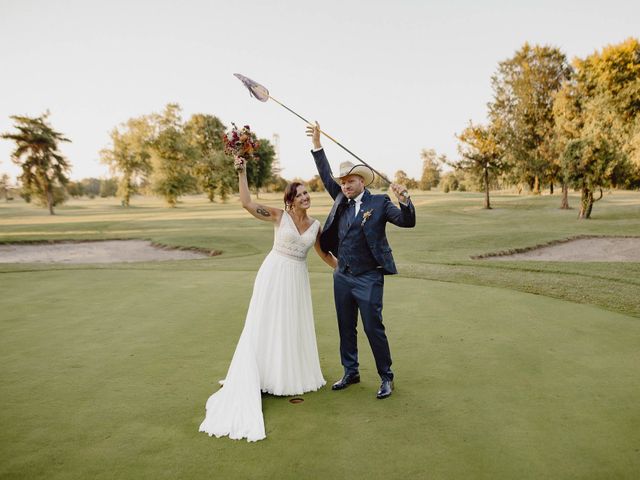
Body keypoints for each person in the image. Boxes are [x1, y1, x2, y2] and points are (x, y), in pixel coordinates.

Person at [199, 155, 336, 442]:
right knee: (265, 323)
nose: (306, 197)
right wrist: (242, 172)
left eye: (307, 193)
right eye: (300, 195)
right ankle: (259, 374)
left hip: (297, 279)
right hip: (273, 275)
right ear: (290, 200)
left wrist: (346, 270)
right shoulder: (279, 216)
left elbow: (323, 254)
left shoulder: (315, 226)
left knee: (290, 326)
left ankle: (284, 375)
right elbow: (248, 204)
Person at [306, 122, 416, 399]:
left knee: (372, 327)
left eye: (350, 181)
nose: (344, 185)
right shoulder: (340, 198)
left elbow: (407, 221)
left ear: (362, 181)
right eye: (342, 182)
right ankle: (350, 371)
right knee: (346, 326)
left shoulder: (379, 203)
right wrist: (317, 145)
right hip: (342, 274)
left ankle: (386, 376)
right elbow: (324, 174)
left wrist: (404, 201)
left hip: (369, 276)